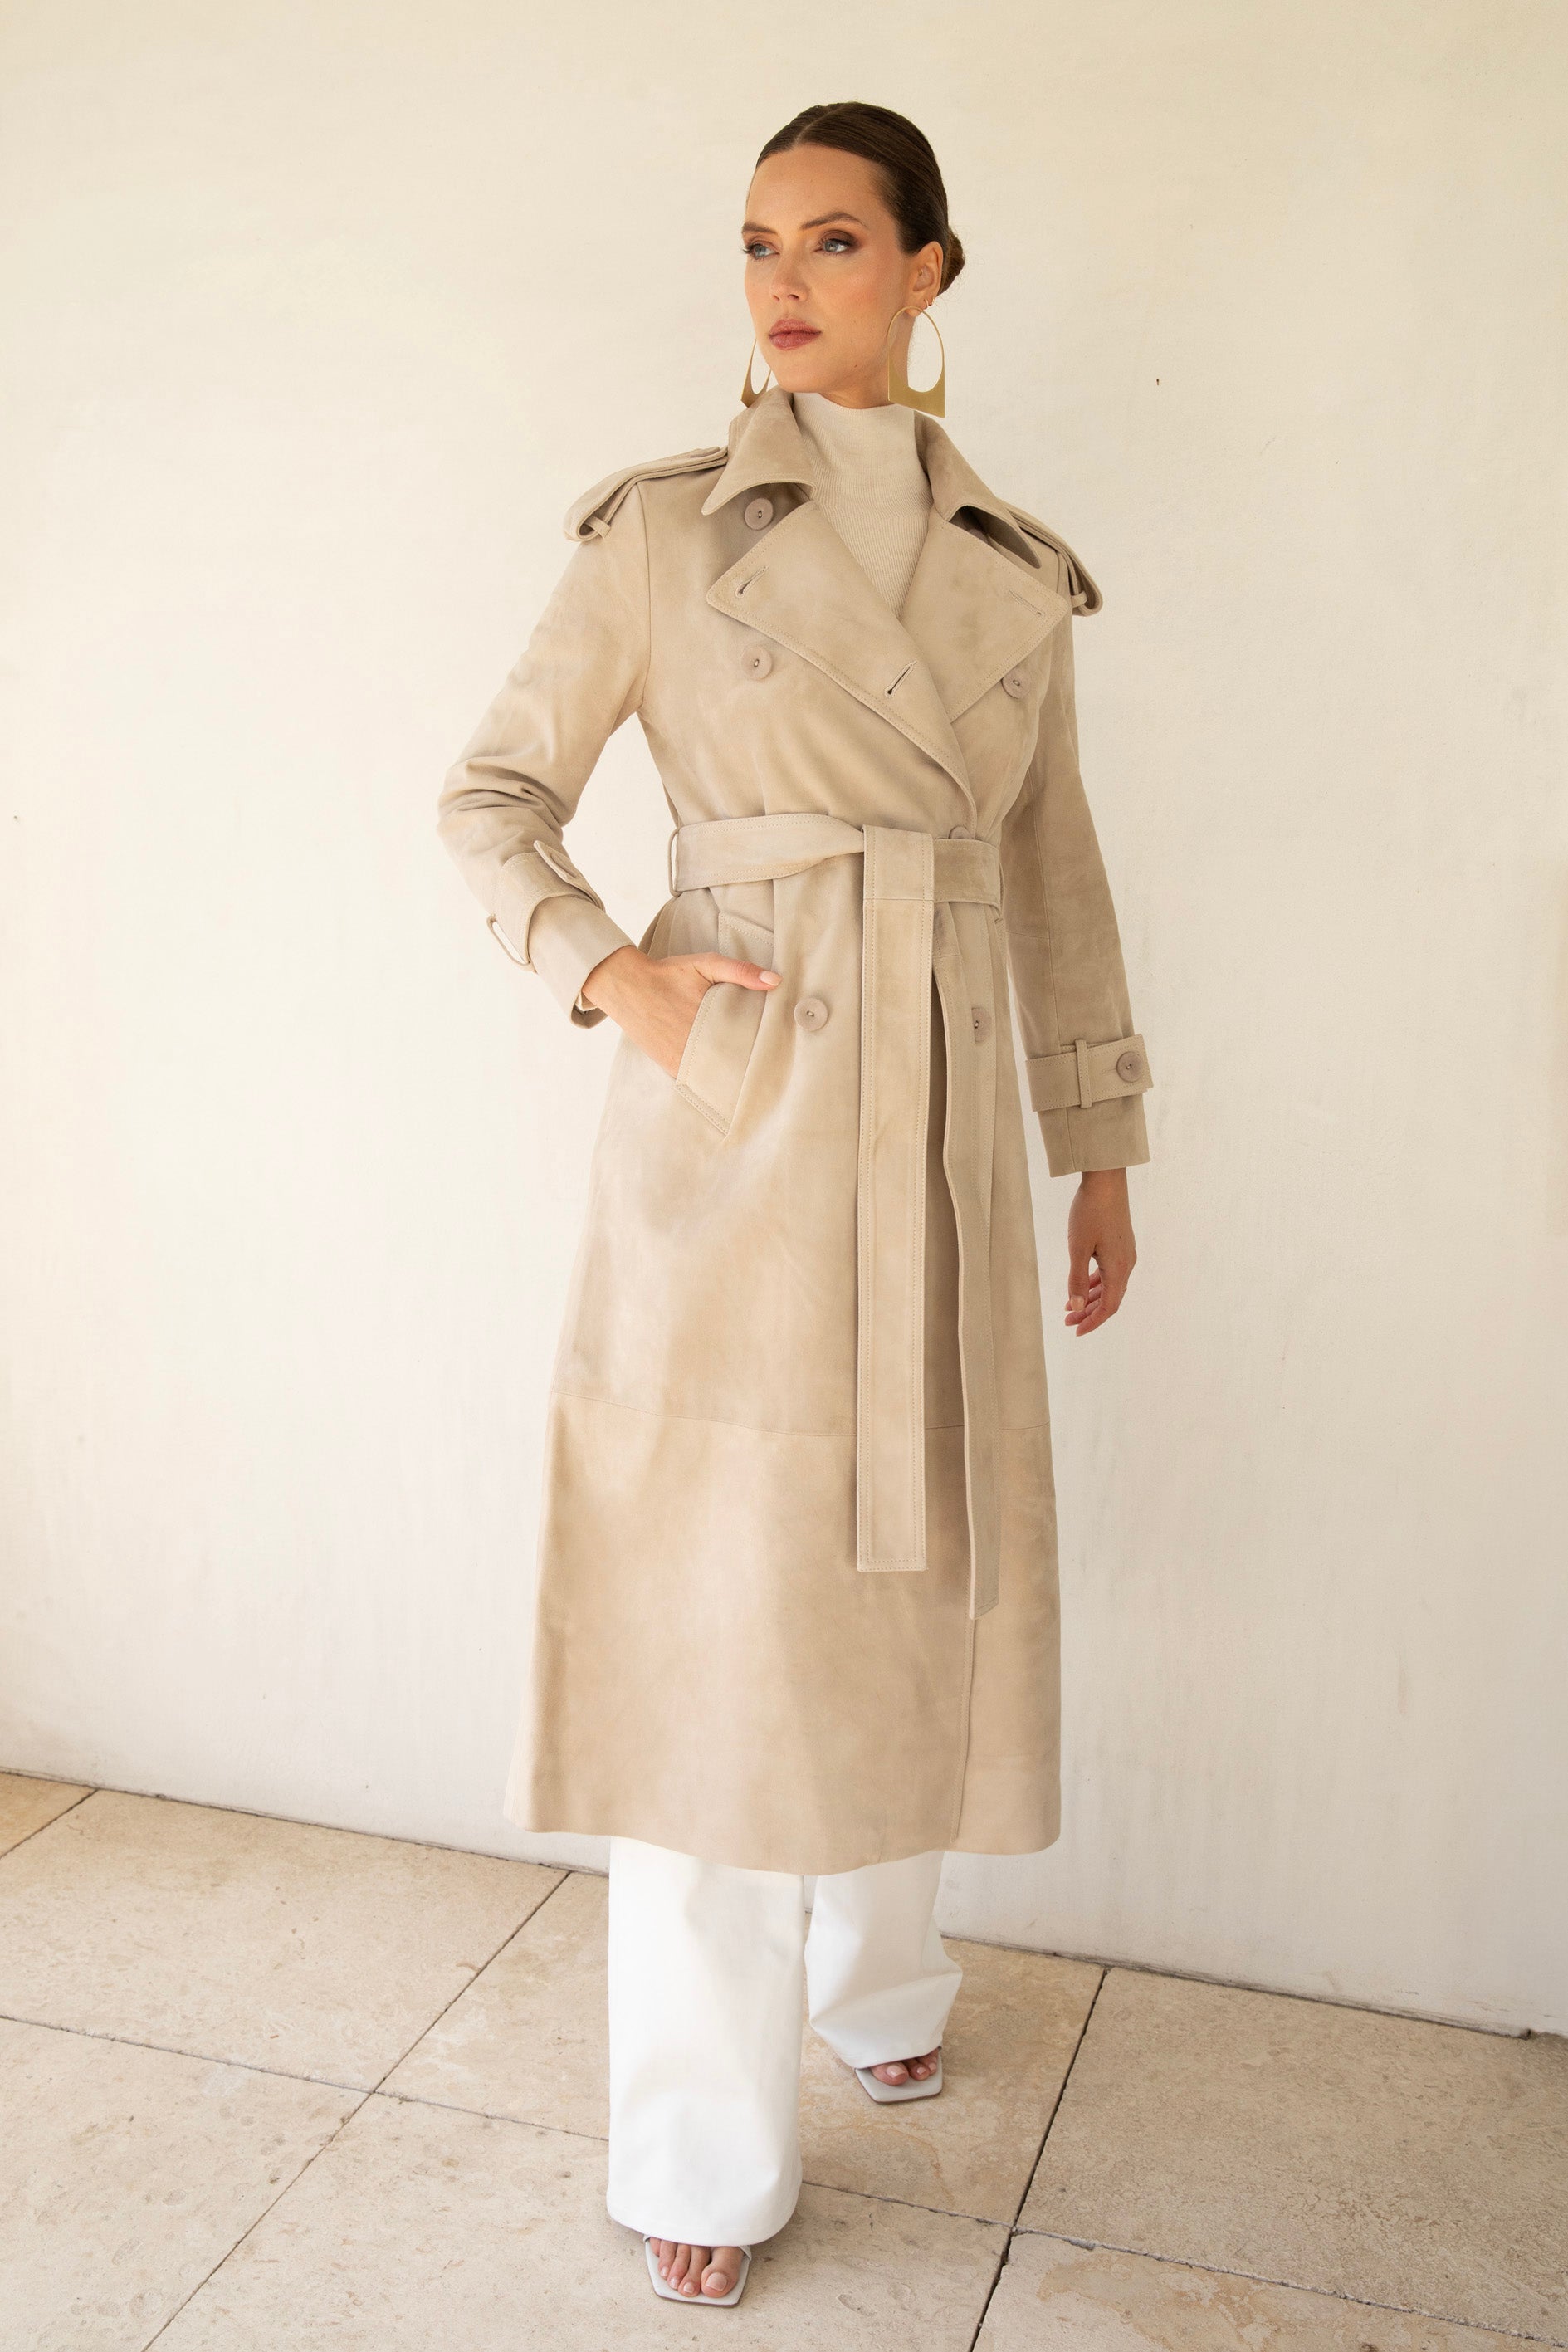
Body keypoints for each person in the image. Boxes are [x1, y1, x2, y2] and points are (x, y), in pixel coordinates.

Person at [436, 100, 1151, 2306]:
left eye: (834, 241)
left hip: (938, 1131)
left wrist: (1097, 1140)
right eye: (758, 243)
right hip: (736, 1132)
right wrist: (617, 976)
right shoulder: (666, 534)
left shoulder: (1016, 573)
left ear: (928, 271)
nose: (783, 282)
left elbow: (1049, 868)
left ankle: (883, 1980)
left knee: (913, 1570)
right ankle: (701, 2142)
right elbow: (492, 796)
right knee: (721, 1633)